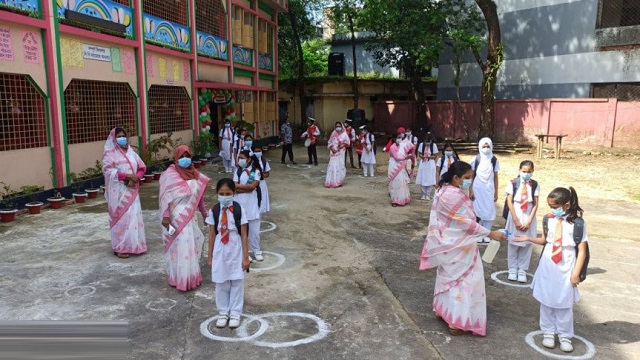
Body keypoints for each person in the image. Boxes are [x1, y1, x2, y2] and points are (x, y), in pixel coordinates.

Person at [419, 161, 508, 336]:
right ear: (456, 178)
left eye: (471, 178)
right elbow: (464, 222)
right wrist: (490, 233)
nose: (470, 181)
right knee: (466, 281)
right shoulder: (454, 195)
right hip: (461, 245)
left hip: (447, 243)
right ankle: (457, 321)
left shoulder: (443, 190)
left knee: (448, 277)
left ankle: (444, 311)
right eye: (467, 178)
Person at [514, 187, 587, 353]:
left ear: (566, 205)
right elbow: (545, 240)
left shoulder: (578, 223)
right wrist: (528, 238)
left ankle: (564, 335)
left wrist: (576, 273)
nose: (553, 210)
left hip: (566, 265)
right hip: (548, 265)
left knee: (564, 302)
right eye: (550, 207)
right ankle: (548, 331)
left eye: (555, 206)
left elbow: (582, 250)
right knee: (546, 300)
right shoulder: (549, 219)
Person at [159, 145, 210, 291]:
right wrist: (166, 217)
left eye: (187, 156)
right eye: (181, 157)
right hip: (176, 217)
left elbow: (199, 198)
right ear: (176, 158)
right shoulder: (170, 175)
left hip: (190, 217)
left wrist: (205, 214)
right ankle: (179, 278)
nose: (185, 159)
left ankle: (191, 277)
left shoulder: (195, 174)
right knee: (179, 249)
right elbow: (165, 199)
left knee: (191, 248)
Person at [206, 178, 250, 329]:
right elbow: (211, 234)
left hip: (235, 245)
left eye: (228, 193)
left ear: (234, 193)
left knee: (236, 280)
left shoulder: (239, 210)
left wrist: (246, 257)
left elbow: (244, 234)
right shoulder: (214, 210)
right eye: (221, 193)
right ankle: (223, 312)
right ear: (217, 194)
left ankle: (235, 313)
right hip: (220, 246)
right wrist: (210, 256)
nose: (224, 196)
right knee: (221, 280)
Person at [102, 127, 147, 259]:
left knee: (133, 218)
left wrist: (136, 177)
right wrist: (127, 176)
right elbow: (108, 171)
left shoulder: (131, 152)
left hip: (132, 190)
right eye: (119, 136)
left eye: (124, 136)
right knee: (121, 219)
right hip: (118, 191)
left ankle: (134, 245)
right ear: (113, 139)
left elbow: (142, 167)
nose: (122, 138)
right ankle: (120, 247)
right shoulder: (109, 153)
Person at [505, 160, 540, 283]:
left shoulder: (534, 185)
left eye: (529, 172)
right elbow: (509, 201)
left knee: (526, 242)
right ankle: (512, 268)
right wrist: (515, 220)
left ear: (532, 171)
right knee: (513, 241)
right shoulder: (513, 183)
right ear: (519, 170)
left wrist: (529, 221)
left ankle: (522, 270)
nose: (526, 174)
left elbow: (535, 203)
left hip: (528, 214)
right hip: (516, 212)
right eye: (524, 171)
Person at [233, 150, 264, 261]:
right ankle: (244, 252)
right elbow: (234, 186)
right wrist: (247, 188)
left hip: (252, 204)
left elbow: (253, 186)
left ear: (249, 159)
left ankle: (256, 251)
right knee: (241, 230)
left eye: (242, 157)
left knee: (254, 232)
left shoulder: (256, 171)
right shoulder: (237, 171)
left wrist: (240, 189)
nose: (240, 160)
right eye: (239, 157)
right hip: (239, 203)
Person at [470, 137, 500, 243]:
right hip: (477, 189)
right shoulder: (476, 159)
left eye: (488, 146)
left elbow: (496, 176)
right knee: (477, 211)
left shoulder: (494, 160)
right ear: (480, 147)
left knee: (489, 211)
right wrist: (470, 191)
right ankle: (478, 234)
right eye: (484, 146)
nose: (486, 148)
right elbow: (471, 176)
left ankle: (487, 233)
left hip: (489, 189)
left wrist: (496, 191)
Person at [386, 127, 415, 207]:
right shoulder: (392, 147)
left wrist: (408, 156)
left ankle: (402, 198)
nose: (400, 139)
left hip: (401, 166)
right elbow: (396, 157)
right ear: (394, 139)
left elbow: (409, 149)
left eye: (400, 138)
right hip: (394, 165)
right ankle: (394, 200)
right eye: (398, 138)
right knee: (395, 182)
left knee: (402, 182)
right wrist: (406, 157)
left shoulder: (401, 146)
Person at [325, 122, 350, 188]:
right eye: (336, 126)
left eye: (339, 126)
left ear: (342, 127)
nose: (338, 127)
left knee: (340, 165)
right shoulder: (333, 133)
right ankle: (331, 182)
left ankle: (339, 181)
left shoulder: (344, 134)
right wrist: (332, 148)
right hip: (333, 152)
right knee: (333, 166)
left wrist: (342, 145)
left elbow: (347, 142)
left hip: (340, 152)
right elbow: (329, 142)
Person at [415, 133, 438, 201]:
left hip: (430, 163)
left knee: (429, 178)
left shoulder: (433, 145)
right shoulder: (422, 145)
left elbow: (435, 155)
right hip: (423, 163)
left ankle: (428, 194)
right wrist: (423, 157)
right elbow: (419, 154)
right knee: (423, 177)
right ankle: (423, 194)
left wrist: (429, 157)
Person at [253, 145, 271, 214]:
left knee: (262, 200)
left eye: (259, 151)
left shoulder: (264, 161)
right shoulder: (250, 162)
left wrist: (261, 175)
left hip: (262, 183)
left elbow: (267, 173)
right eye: (255, 151)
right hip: (253, 183)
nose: (257, 153)